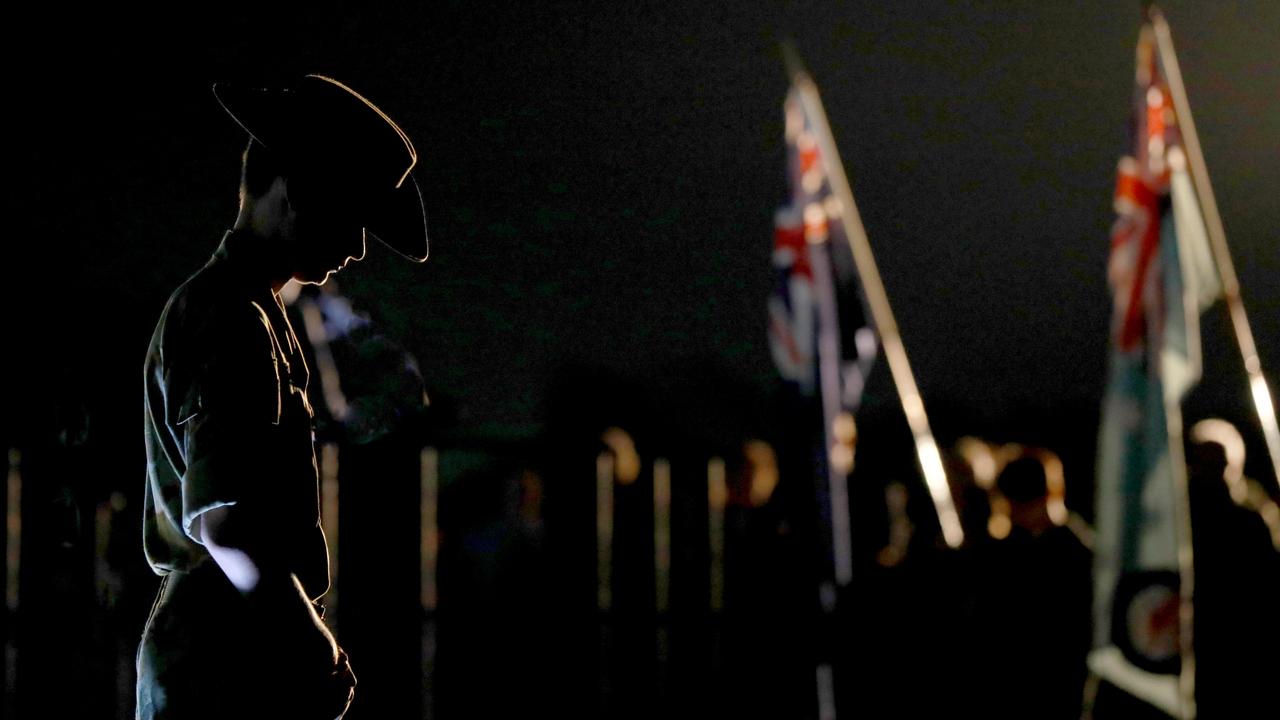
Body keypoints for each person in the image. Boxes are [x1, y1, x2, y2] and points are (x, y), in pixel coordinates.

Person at [137, 74, 429, 719]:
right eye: (350, 216)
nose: (356, 248)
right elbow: (228, 525)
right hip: (224, 663)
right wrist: (311, 644)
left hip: (228, 649)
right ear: (297, 194)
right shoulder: (229, 318)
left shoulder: (250, 313)